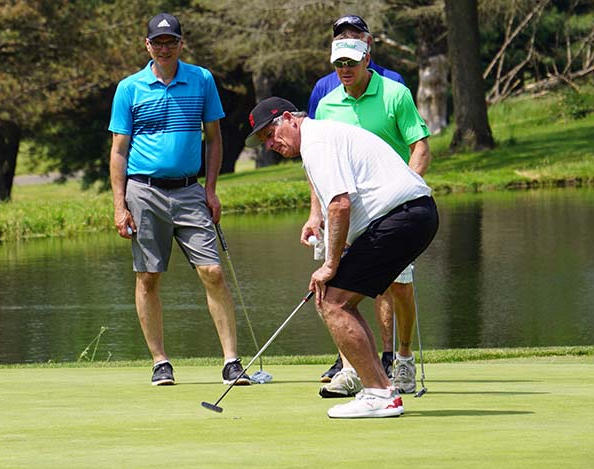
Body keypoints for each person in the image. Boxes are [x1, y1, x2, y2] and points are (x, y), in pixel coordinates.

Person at [245, 97, 438, 418]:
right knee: (340, 299)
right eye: (264, 140)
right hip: (412, 216)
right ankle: (379, 388)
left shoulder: (317, 142)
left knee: (332, 301)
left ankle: (379, 393)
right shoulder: (321, 137)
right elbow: (349, 204)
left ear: (290, 119)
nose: (270, 144)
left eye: (271, 132)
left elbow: (339, 204)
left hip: (403, 217)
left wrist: (330, 265)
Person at [108, 12, 250, 386]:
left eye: (171, 42)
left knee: (213, 272)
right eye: (159, 42)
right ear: (148, 45)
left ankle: (232, 361)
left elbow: (214, 137)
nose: (165, 48)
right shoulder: (130, 88)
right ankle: (160, 362)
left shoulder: (201, 79)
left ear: (181, 44)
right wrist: (119, 204)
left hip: (190, 190)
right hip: (143, 191)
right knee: (148, 277)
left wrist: (211, 189)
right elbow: (119, 150)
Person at [306, 14, 431, 397]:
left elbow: (419, 145)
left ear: (367, 56)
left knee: (398, 286)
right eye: (338, 63)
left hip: (390, 210)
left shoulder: (395, 92)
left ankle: (403, 359)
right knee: (340, 291)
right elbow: (318, 165)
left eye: (350, 62)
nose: (344, 70)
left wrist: (407, 190)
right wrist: (315, 213)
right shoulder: (326, 104)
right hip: (343, 209)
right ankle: (353, 369)